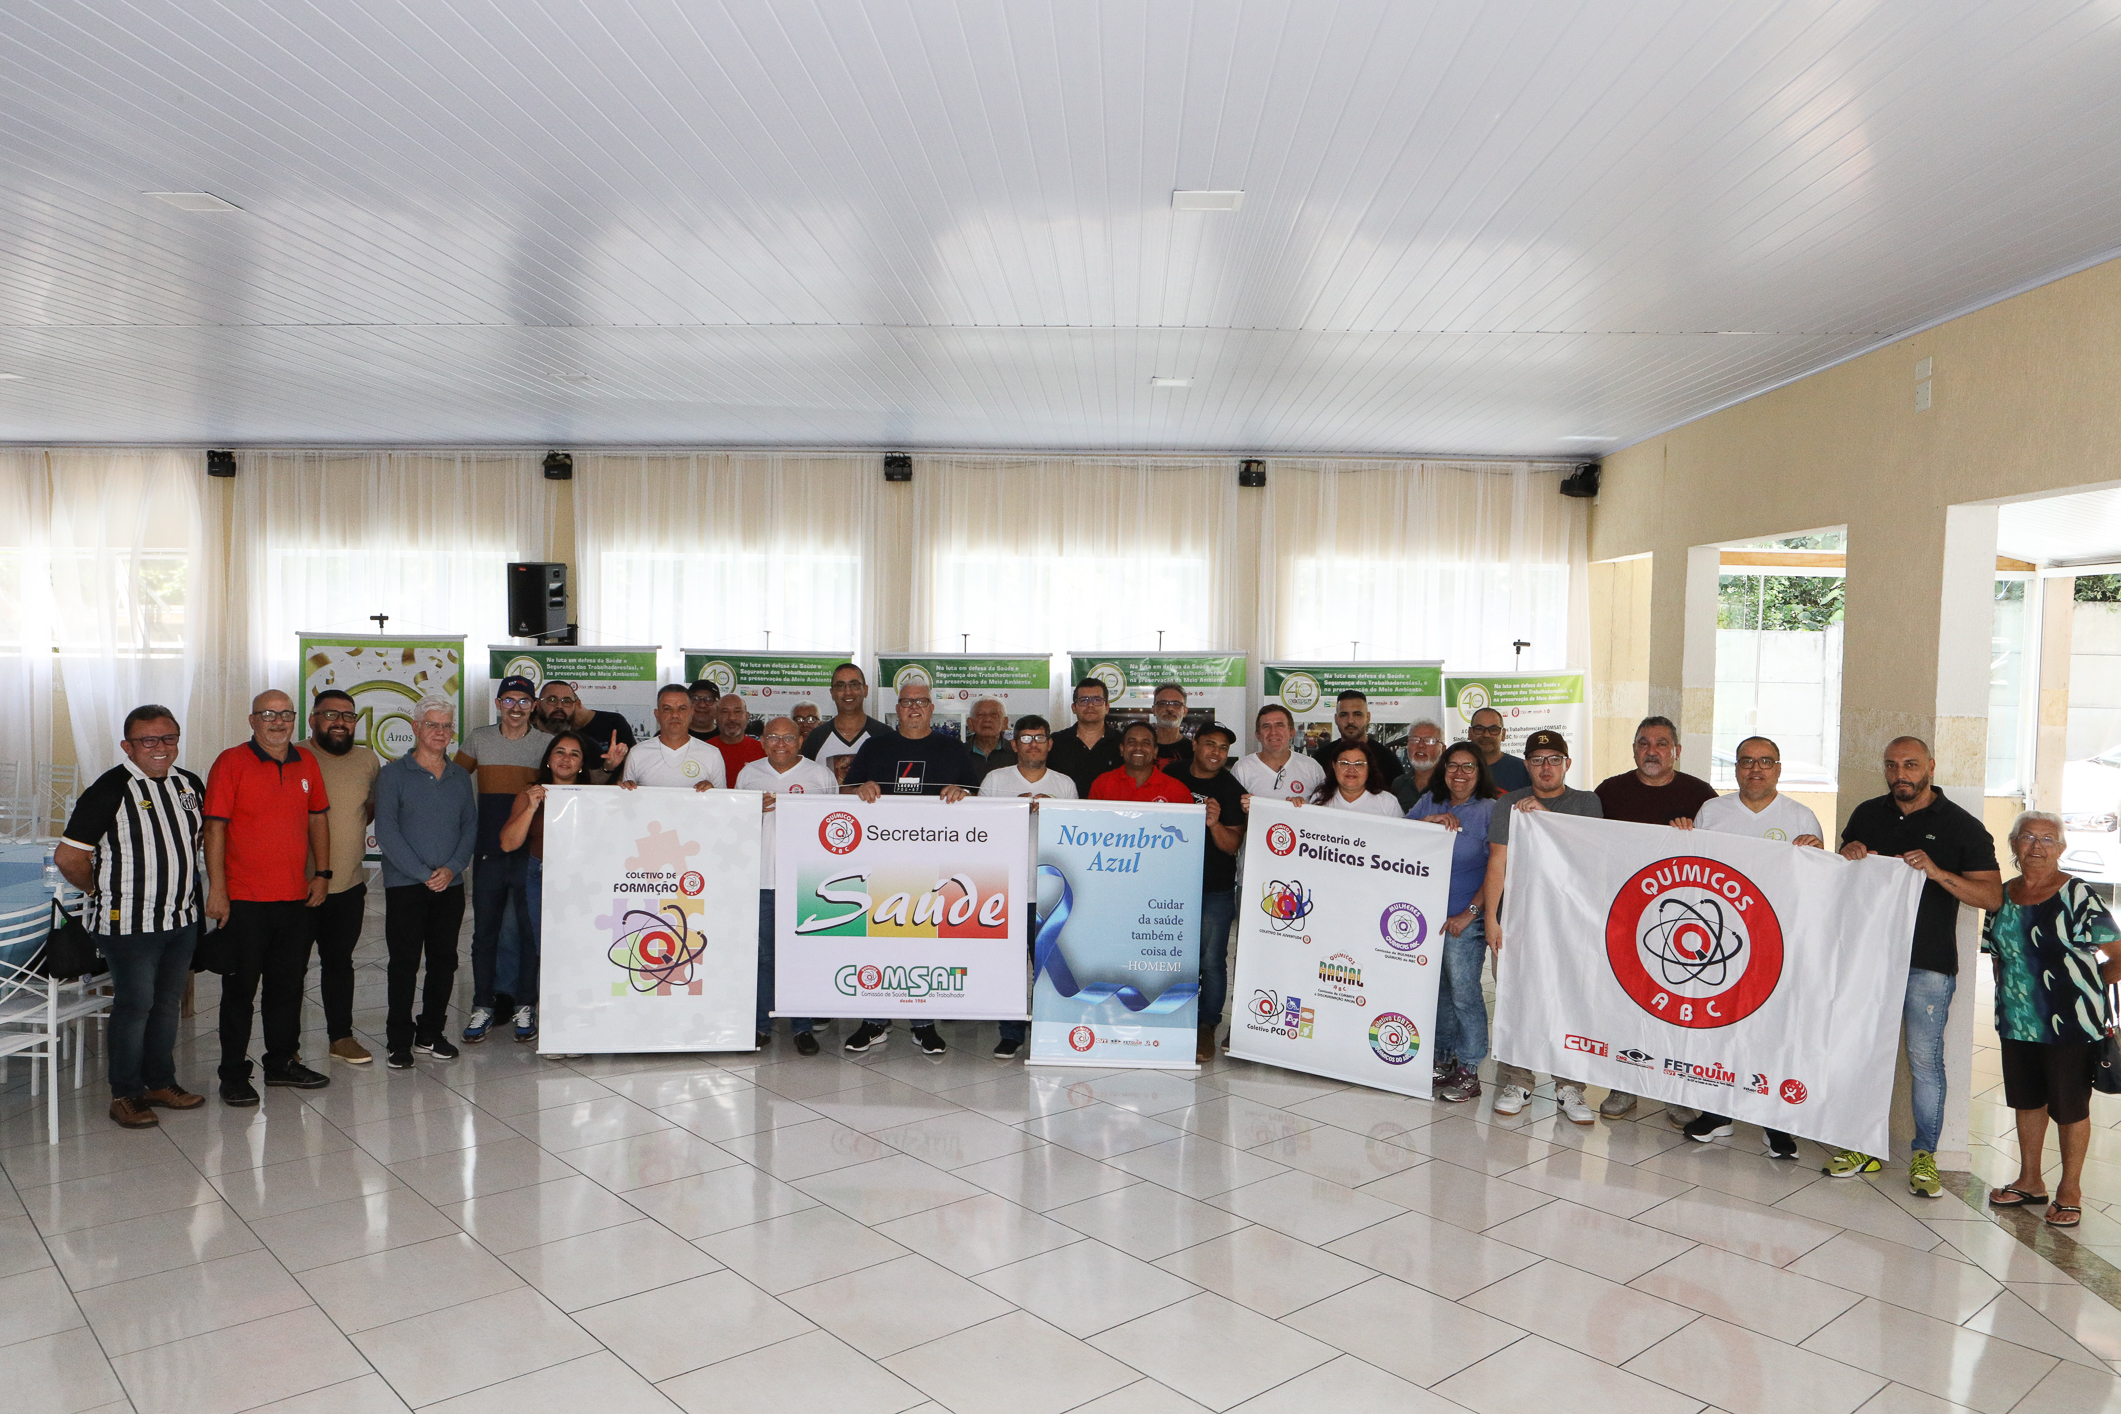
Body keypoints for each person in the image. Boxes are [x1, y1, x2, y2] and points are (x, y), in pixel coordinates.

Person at [1834, 736, 2002, 1196]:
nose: (1900, 774)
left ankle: (1925, 1155)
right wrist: (1847, 857)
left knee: (1924, 1061)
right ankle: (1860, 1143)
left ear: (1930, 765)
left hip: (1927, 964)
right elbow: (1843, 882)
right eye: (1891, 766)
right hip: (1868, 960)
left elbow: (1992, 897)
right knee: (1863, 1052)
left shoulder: (1961, 826)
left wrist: (1937, 872)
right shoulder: (1868, 813)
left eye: (1910, 765)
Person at [56, 705, 208, 1128]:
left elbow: (194, 844)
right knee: (134, 1006)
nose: (161, 748)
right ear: (128, 745)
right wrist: (96, 890)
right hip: (129, 925)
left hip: (181, 919)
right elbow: (69, 857)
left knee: (165, 1006)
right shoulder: (110, 789)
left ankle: (160, 1082)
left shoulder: (188, 784)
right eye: (149, 741)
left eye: (169, 738)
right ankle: (125, 1093)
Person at [1667, 735, 1819, 1156]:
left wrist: (1818, 854)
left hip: (1778, 943)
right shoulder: (1712, 812)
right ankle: (1718, 1113)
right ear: (1735, 768)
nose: (1756, 769)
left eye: (1765, 761)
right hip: (1721, 943)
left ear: (1779, 768)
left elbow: (1819, 885)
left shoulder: (1801, 816)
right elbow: (1693, 869)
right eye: (1746, 761)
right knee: (1722, 1028)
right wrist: (1682, 836)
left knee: (1774, 1030)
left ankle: (1777, 1122)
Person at [1982, 811, 2121, 1228]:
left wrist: (2085, 987)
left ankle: (2070, 1190)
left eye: (2047, 839)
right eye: (2027, 837)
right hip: (2017, 1020)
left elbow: (2119, 956)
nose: (2036, 846)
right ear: (2014, 846)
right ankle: (2030, 1181)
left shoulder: (2078, 894)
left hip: (2073, 1023)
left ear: (2061, 849)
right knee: (2026, 1099)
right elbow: (1997, 956)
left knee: (2070, 1105)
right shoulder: (2001, 895)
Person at [204, 690, 333, 1105]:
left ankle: (280, 1062)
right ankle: (233, 1074)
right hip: (244, 900)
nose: (278, 722)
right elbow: (215, 829)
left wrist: (323, 873)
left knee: (287, 987)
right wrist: (218, 890)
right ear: (252, 720)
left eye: (285, 715)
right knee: (240, 991)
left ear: (295, 719)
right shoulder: (230, 762)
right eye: (268, 715)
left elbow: (318, 818)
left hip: (295, 898)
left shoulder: (307, 761)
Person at [1588, 715, 1718, 1119]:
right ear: (1633, 750)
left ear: (1676, 751)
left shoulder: (1702, 796)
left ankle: (1676, 1088)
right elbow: (1582, 842)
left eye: (1662, 743)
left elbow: (1718, 851)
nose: (1652, 750)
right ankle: (1624, 1085)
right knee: (1625, 1003)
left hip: (1681, 921)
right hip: (1623, 916)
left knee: (1677, 1004)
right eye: (1644, 742)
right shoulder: (1609, 791)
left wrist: (1694, 832)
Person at [841, 681, 979, 1057]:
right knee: (880, 941)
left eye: (920, 702)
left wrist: (962, 794)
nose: (913, 707)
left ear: (932, 708)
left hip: (935, 866)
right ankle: (874, 1022)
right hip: (881, 862)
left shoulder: (952, 749)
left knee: (925, 944)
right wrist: (859, 790)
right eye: (906, 702)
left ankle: (924, 1025)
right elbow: (844, 794)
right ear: (896, 709)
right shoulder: (876, 746)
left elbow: (979, 802)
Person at [1482, 731, 1605, 1124]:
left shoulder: (1586, 803)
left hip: (1571, 923)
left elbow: (1590, 856)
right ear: (1527, 765)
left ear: (1567, 764)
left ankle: (1570, 1087)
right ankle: (1519, 1080)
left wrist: (1548, 822)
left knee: (1570, 1001)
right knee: (1517, 999)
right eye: (1537, 759)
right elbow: (1498, 862)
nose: (1546, 767)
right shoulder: (1509, 804)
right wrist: (1490, 917)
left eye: (1554, 758)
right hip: (1520, 918)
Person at [374, 697, 478, 1070]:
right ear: (416, 728)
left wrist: (451, 869)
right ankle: (398, 1039)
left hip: (449, 887)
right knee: (404, 963)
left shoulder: (460, 777)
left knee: (444, 961)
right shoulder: (393, 775)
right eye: (432, 724)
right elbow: (386, 831)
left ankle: (430, 1033)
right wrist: (423, 874)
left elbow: (469, 827)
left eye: (446, 726)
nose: (439, 732)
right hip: (406, 885)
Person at [454, 677, 551, 1044]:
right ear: (497, 704)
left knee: (528, 933)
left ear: (534, 706)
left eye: (524, 701)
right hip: (488, 851)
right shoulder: (479, 738)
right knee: (485, 933)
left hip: (530, 854)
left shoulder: (545, 745)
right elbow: (453, 782)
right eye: (509, 700)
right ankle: (483, 1004)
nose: (516, 708)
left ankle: (526, 1004)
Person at [736, 717, 840, 1055]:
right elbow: (733, 826)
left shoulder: (819, 776)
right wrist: (749, 812)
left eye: (789, 737)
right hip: (762, 880)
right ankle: (760, 1026)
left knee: (802, 957)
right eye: (773, 737)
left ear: (800, 740)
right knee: (764, 958)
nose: (781, 744)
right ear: (763, 741)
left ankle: (802, 1028)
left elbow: (835, 827)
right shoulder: (748, 774)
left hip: (805, 883)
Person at [1411, 742, 1500, 1103]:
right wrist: (1428, 822)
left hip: (1466, 919)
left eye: (1468, 767)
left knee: (1465, 993)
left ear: (1479, 773)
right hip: (1425, 918)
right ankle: (1441, 1061)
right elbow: (1393, 839)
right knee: (1440, 993)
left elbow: (1498, 869)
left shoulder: (1490, 811)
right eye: (1452, 766)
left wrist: (1471, 914)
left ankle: (1469, 1068)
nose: (1459, 774)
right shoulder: (1428, 802)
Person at [499, 730, 597, 1046]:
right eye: (560, 751)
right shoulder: (530, 794)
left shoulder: (595, 796)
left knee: (579, 951)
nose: (566, 758)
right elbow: (508, 843)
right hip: (540, 875)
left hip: (583, 881)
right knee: (547, 950)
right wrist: (530, 807)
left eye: (574, 754)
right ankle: (553, 1026)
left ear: (582, 765)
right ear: (549, 759)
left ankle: (579, 1020)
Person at [305, 690, 379, 1065]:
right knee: (289, 968)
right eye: (331, 714)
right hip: (296, 887)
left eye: (348, 716)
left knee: (339, 963)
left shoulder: (368, 760)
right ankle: (285, 1048)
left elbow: (367, 812)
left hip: (348, 885)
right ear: (313, 719)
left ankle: (341, 1037)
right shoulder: (296, 755)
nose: (340, 722)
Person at [1170, 724, 1245, 1064]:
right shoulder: (1170, 774)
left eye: (1223, 748)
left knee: (1211, 961)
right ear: (1195, 745)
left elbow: (1232, 847)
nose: (1216, 752)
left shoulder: (1230, 788)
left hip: (1213, 887)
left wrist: (1214, 823)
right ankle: (1170, 1019)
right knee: (1168, 955)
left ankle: (1206, 1025)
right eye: (1210, 744)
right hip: (1167, 883)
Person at [623, 684, 731, 790]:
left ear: (691, 713)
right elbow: (627, 801)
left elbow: (721, 804)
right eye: (667, 709)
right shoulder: (637, 753)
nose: (675, 715)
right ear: (657, 715)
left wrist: (712, 793)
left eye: (682, 708)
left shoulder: (712, 755)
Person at [535, 679, 634, 780]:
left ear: (576, 705)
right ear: (537, 704)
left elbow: (593, 783)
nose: (559, 706)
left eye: (567, 701)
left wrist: (608, 767)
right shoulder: (525, 738)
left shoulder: (588, 745)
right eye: (552, 700)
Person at [1231, 704, 1326, 808]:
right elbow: (1233, 814)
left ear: (1291, 732)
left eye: (1280, 725)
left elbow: (1324, 811)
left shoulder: (1311, 767)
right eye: (1266, 726)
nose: (1273, 732)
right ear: (1258, 735)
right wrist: (1243, 809)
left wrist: (1303, 807)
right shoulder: (1242, 768)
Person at [802, 663, 889, 776]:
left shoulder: (884, 734)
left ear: (865, 690)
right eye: (840, 686)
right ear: (832, 693)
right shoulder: (816, 737)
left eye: (854, 685)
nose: (848, 692)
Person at [1048, 678, 1123, 797]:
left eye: (1097, 700)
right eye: (1084, 700)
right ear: (1074, 707)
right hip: (1065, 812)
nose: (1090, 705)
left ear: (1107, 707)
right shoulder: (1056, 742)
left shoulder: (1122, 743)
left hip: (1110, 813)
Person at [1091, 721, 1198, 804]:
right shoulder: (1102, 785)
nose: (1138, 747)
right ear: (1122, 749)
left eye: (1146, 743)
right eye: (1131, 742)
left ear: (1155, 751)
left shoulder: (1178, 791)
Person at [1307, 691, 1399, 788]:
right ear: (1336, 719)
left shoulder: (1388, 760)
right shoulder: (1321, 757)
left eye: (1357, 714)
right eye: (1344, 715)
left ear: (1368, 717)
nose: (1350, 720)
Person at [979, 716, 1078, 801]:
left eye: (1040, 738)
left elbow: (1074, 821)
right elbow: (979, 820)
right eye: (1026, 738)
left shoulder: (1066, 785)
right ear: (1014, 745)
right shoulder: (993, 780)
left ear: (1049, 744)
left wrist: (1050, 808)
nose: (1033, 744)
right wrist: (1014, 807)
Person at [1311, 739, 1402, 815]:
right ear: (1334, 766)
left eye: (1358, 764)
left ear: (1369, 767)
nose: (1351, 769)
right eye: (1344, 763)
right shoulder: (1319, 798)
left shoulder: (1387, 802)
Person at [1465, 708, 1533, 792]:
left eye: (1493, 729)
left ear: (1503, 734)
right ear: (1469, 733)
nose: (1486, 735)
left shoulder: (1523, 770)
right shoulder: (1456, 771)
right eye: (1479, 729)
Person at [706, 690, 766, 778]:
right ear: (716, 716)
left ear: (747, 716)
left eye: (737, 712)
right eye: (725, 712)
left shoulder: (763, 751)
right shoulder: (705, 750)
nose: (732, 718)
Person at [1390, 720, 1447, 813]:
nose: (1420, 745)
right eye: (1414, 740)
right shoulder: (1399, 784)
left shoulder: (1450, 783)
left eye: (1429, 741)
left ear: (1443, 749)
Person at [964, 698, 1016, 780]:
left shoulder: (1016, 753)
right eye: (980, 715)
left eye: (994, 715)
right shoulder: (958, 753)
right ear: (970, 723)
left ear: (1005, 723)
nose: (987, 719)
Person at [1150, 683, 1195, 773]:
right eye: (1163, 703)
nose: (1169, 708)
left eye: (1176, 704)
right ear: (1154, 710)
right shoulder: (1142, 747)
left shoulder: (1193, 751)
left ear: (1185, 711)